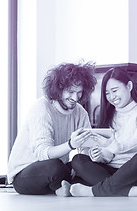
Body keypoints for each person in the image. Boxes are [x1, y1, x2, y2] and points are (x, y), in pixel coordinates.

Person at [7, 62, 97, 196]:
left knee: (85, 165)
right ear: (58, 89)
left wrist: (95, 154)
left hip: (59, 168)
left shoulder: (80, 112)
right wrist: (71, 145)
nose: (75, 98)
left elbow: (86, 148)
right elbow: (43, 154)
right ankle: (64, 186)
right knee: (55, 167)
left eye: (79, 92)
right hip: (26, 173)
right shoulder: (41, 108)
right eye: (70, 92)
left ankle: (64, 186)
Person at [69, 67, 137, 197]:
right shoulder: (109, 115)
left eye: (114, 90)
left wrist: (110, 145)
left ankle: (93, 191)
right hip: (115, 173)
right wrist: (100, 156)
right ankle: (128, 191)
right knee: (78, 160)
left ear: (129, 86)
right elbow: (110, 155)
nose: (111, 97)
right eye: (107, 93)